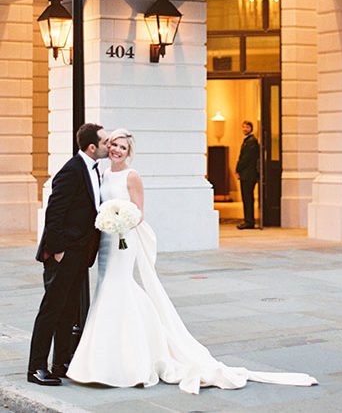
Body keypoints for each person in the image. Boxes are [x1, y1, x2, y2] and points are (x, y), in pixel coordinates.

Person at [67, 128, 317, 394]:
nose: (117, 150)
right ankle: (106, 357)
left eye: (123, 147)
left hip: (124, 241)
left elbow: (139, 213)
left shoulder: (132, 176)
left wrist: (121, 221)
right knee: (107, 288)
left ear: (129, 153)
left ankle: (128, 362)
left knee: (118, 287)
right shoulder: (104, 174)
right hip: (106, 242)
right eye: (114, 145)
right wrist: (107, 221)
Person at [27, 123, 108, 386]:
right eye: (105, 141)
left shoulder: (95, 171)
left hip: (80, 253)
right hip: (63, 253)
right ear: (92, 146)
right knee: (51, 309)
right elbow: (55, 212)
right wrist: (58, 250)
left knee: (68, 310)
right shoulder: (72, 170)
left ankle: (60, 363)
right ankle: (36, 367)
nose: (108, 145)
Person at [235, 120, 260, 230]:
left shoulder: (251, 141)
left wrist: (238, 169)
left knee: (248, 198)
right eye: (243, 127)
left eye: (247, 127)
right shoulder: (248, 140)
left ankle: (249, 221)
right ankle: (248, 220)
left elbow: (246, 158)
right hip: (246, 174)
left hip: (248, 174)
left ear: (251, 128)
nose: (245, 129)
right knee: (246, 198)